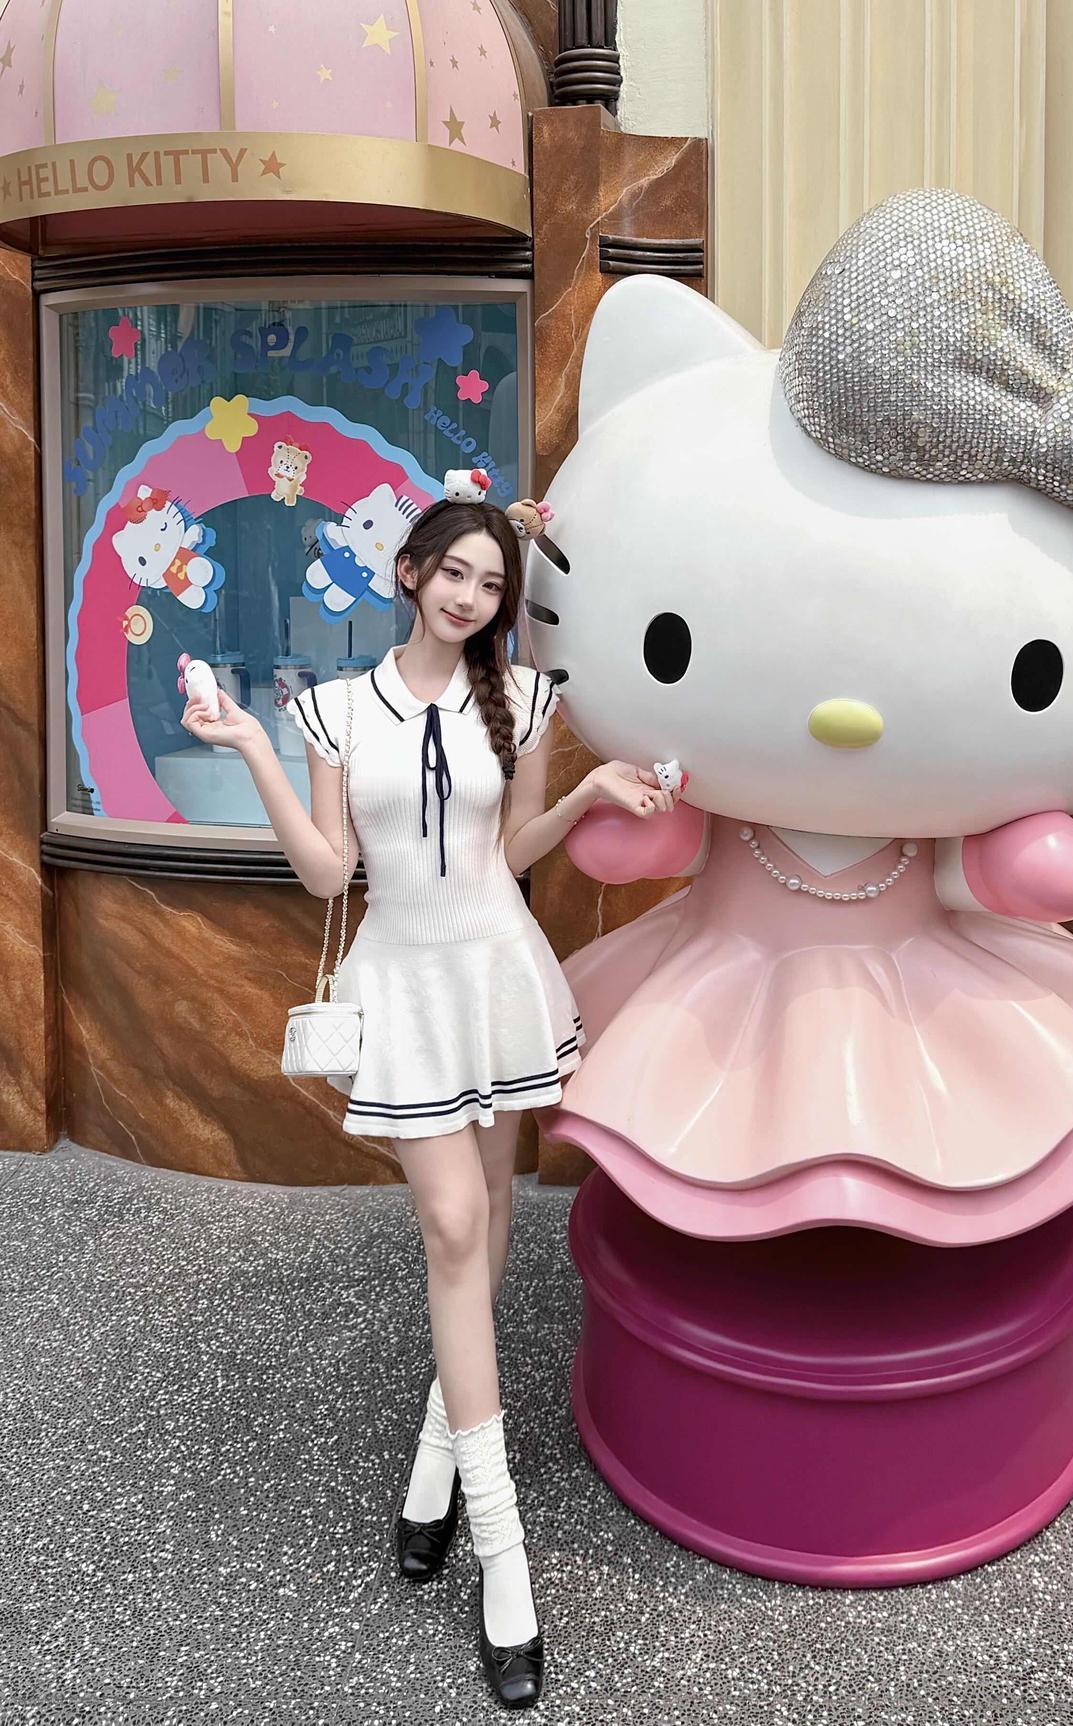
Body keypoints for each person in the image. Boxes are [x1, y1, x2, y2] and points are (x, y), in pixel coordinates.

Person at [181, 495, 680, 1709]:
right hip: (403, 982)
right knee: (455, 1225)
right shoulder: (334, 708)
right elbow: (328, 873)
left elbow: (509, 855)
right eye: (452, 572)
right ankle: (503, 1552)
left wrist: (586, 799)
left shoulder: (524, 698)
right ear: (407, 573)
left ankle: (433, 1460)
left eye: (489, 583)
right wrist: (250, 746)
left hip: (497, 975)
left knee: (491, 1216)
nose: (468, 596)